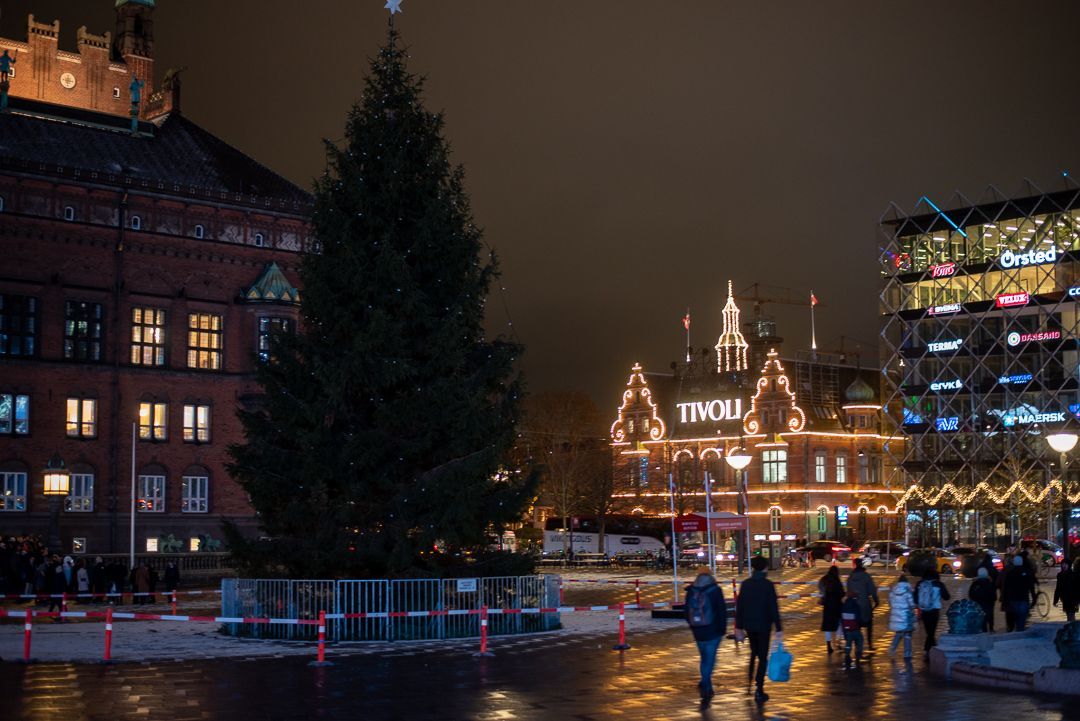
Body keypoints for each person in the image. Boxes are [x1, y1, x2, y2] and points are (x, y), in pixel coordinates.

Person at [734, 555, 783, 704]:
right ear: (765, 568)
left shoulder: (746, 584)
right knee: (762, 657)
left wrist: (739, 627)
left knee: (753, 653)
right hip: (763, 626)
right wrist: (779, 627)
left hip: (749, 626)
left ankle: (749, 682)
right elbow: (773, 607)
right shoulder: (767, 585)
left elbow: (740, 606)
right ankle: (759, 688)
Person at [685, 565, 728, 704]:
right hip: (713, 631)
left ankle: (705, 681)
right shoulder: (715, 590)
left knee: (704, 658)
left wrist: (693, 626)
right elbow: (722, 611)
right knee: (709, 660)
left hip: (698, 631)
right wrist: (722, 629)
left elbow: (686, 612)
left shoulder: (691, 590)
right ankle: (706, 685)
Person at [915, 568, 950, 656]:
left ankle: (930, 649)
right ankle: (930, 650)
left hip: (924, 610)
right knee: (931, 632)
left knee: (929, 631)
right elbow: (947, 597)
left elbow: (915, 598)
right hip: (934, 610)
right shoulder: (938, 584)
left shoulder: (919, 584)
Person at [846, 559, 880, 649]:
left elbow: (848, 592)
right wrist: (876, 601)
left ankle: (857, 646)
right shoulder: (866, 576)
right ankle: (870, 644)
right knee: (869, 624)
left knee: (856, 626)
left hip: (854, 605)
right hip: (865, 604)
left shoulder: (850, 577)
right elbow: (872, 590)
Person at [1002, 554, 1037, 632]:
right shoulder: (1026, 572)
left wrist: (1005, 600)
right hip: (1024, 599)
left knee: (1014, 621)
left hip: (1013, 600)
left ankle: (1016, 633)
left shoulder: (1010, 573)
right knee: (1021, 622)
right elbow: (1031, 586)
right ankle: (1020, 632)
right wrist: (1034, 598)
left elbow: (1006, 588)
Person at [887, 573, 915, 658]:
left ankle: (892, 648)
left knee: (898, 633)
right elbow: (912, 605)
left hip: (896, 617)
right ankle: (907, 653)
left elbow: (890, 604)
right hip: (906, 617)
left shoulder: (893, 592)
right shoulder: (908, 591)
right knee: (907, 635)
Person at [818, 565, 844, 654]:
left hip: (827, 606)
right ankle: (839, 643)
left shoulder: (824, 579)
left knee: (828, 627)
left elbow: (821, 589)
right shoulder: (836, 580)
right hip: (837, 605)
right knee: (839, 624)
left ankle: (828, 646)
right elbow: (842, 593)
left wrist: (823, 596)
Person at [969, 567, 997, 632]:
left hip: (978, 607)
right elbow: (994, 597)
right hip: (988, 607)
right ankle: (990, 629)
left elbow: (971, 595)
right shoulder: (990, 584)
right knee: (988, 619)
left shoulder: (975, 584)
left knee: (981, 624)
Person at [840, 590, 864, 666]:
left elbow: (842, 620)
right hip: (855, 628)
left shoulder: (843, 606)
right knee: (860, 640)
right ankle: (858, 654)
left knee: (848, 643)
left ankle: (847, 655)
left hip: (847, 629)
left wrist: (844, 630)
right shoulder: (855, 606)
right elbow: (858, 618)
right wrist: (860, 624)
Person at [1053, 559, 1078, 624]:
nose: (1064, 566)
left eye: (1065, 564)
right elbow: (1058, 588)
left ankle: (1072, 627)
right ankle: (1072, 627)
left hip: (1072, 599)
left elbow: (1077, 588)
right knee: (1069, 615)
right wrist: (1055, 600)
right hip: (1065, 599)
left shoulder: (1074, 575)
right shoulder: (1060, 575)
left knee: (1070, 615)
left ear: (1069, 565)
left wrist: (1077, 600)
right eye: (1062, 564)